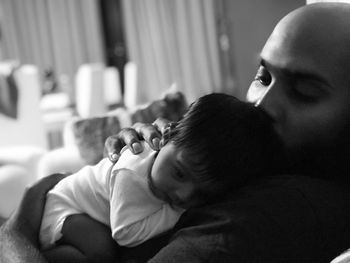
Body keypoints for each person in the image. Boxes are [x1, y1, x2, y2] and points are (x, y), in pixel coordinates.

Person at [2, 2, 350, 262]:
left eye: (304, 91)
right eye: (263, 77)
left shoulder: (265, 217)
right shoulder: (248, 173)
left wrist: (18, 228)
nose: (261, 105)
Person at [39, 93, 281, 263]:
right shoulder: (132, 173)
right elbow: (125, 233)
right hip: (65, 205)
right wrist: (179, 213)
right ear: (167, 134)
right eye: (179, 173)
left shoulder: (174, 167)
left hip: (93, 214)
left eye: (202, 194)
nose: (184, 195)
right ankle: (38, 254)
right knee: (100, 252)